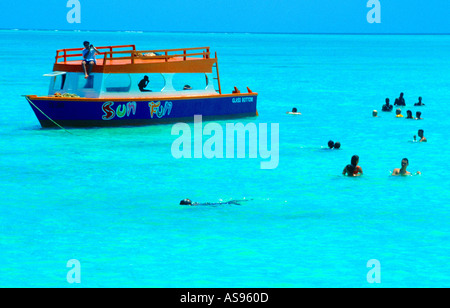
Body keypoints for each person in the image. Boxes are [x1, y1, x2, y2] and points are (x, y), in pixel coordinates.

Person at [180, 198, 247, 206]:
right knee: (226, 203)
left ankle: (234, 202)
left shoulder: (192, 205)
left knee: (226, 203)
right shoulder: (194, 203)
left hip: (208, 205)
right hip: (208, 204)